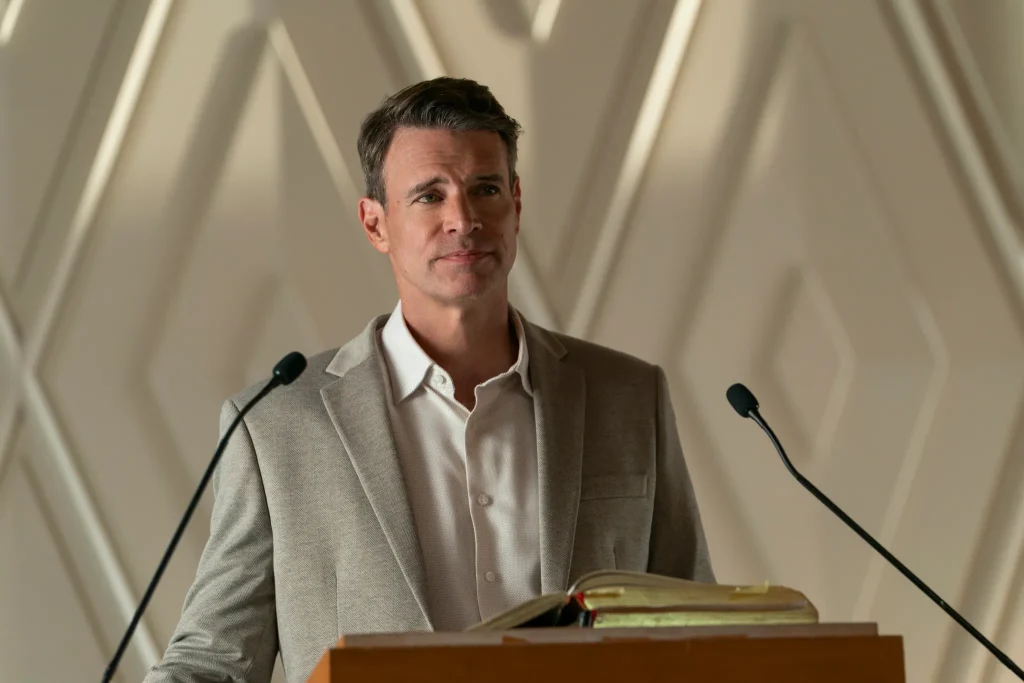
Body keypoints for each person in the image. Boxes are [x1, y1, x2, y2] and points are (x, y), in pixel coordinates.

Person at [143, 77, 713, 683]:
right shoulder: (278, 424)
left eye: (485, 189)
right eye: (428, 196)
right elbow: (215, 661)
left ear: (516, 205)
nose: (462, 219)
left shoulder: (628, 398)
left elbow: (701, 634)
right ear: (375, 223)